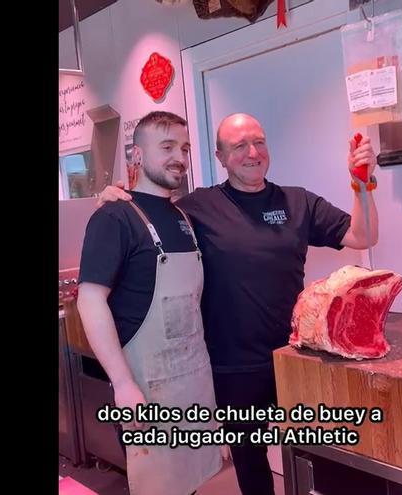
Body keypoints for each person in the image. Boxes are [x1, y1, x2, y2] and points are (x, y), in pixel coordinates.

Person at [95, 113, 379, 495]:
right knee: (251, 464)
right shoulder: (194, 208)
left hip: (295, 358)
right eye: (238, 146)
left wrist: (362, 184)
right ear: (220, 157)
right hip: (232, 367)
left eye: (258, 142)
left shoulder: (298, 201)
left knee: (319, 454)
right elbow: (148, 214)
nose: (252, 152)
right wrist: (114, 196)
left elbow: (363, 235)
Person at [77, 111, 222, 495]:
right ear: (137, 155)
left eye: (185, 148)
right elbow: (90, 301)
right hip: (147, 390)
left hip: (192, 384)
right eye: (167, 146)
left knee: (192, 484)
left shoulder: (184, 218)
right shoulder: (114, 216)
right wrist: (123, 385)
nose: (180, 156)